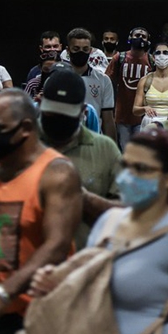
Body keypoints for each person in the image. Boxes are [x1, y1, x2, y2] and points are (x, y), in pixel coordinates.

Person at [30, 128, 168, 334]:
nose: (128, 177)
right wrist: (57, 279)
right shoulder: (109, 220)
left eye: (141, 169)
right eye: (125, 166)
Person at [0, 89, 83, 334]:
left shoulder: (57, 173)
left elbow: (57, 245)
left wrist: (4, 292)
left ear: (25, 128)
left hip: (34, 317)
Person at [39, 70, 122, 249]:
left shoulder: (105, 149)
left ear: (83, 112)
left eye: (66, 116)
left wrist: (84, 198)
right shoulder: (23, 142)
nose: (59, 122)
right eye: (53, 115)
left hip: (85, 264)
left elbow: (128, 212)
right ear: (40, 105)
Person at [65, 28, 116, 141]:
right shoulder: (59, 78)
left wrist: (112, 148)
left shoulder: (103, 80)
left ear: (91, 50)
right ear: (68, 50)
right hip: (65, 139)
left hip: (94, 139)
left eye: (85, 49)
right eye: (76, 49)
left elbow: (108, 119)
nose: (81, 52)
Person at [133, 42, 168, 127]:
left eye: (165, 52)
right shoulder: (145, 81)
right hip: (149, 125)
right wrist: (145, 108)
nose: (161, 55)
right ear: (153, 57)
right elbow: (135, 110)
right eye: (158, 53)